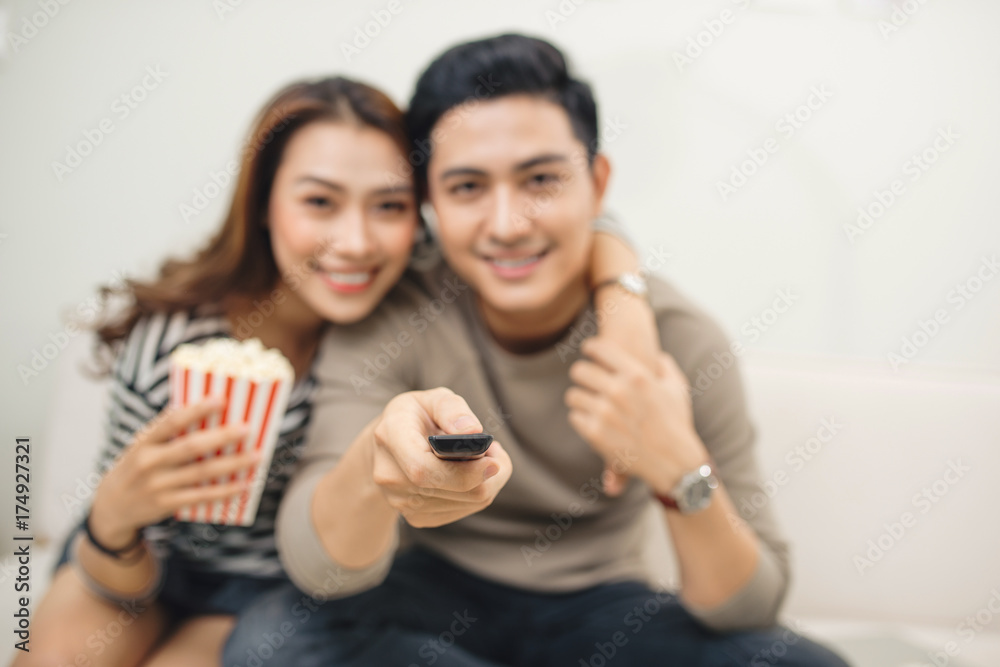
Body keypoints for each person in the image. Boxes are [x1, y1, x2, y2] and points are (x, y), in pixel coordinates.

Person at [223, 34, 851, 666]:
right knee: (269, 643)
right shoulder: (395, 314)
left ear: (597, 183)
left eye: (542, 179)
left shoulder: (678, 338)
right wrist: (374, 464)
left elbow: (748, 609)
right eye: (467, 187)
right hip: (427, 599)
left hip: (603, 612)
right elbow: (319, 570)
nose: (507, 224)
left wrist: (678, 467)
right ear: (430, 203)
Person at [18, 72, 653, 667]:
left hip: (276, 589)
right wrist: (114, 518)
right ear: (265, 204)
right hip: (140, 563)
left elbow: (578, 215)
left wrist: (625, 310)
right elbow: (120, 554)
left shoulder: (420, 290)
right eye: (319, 202)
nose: (355, 242)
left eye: (388, 205)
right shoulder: (170, 345)